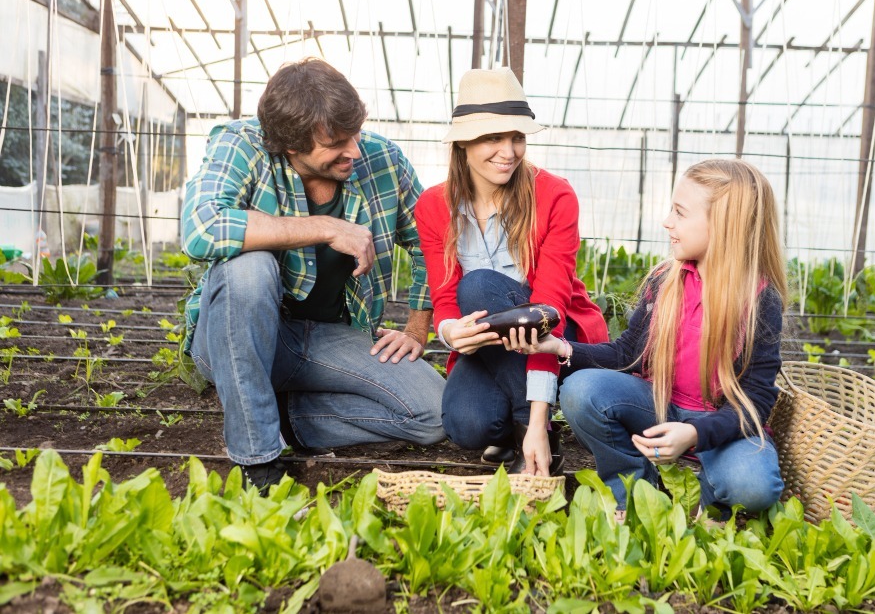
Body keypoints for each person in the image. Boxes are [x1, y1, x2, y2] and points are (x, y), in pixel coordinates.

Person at [181, 57, 446, 492]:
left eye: (356, 134)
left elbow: (430, 242)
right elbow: (201, 226)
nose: (355, 151)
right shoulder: (242, 145)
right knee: (248, 268)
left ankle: (282, 416)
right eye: (337, 143)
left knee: (434, 413)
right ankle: (259, 462)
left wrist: (418, 329)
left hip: (324, 338)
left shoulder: (383, 160)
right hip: (232, 335)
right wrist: (326, 228)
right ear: (289, 145)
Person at [505, 159, 786, 518]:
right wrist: (561, 348)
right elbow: (627, 354)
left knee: (756, 486)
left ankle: (702, 498)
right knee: (580, 390)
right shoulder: (665, 281)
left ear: (724, 227)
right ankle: (633, 491)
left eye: (680, 213)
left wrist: (695, 434)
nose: (667, 221)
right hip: (659, 405)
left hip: (724, 427)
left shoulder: (760, 299)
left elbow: (756, 400)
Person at [414, 68, 608, 476]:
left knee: (480, 284)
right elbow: (445, 299)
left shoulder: (554, 196)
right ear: (463, 144)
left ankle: (532, 435)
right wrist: (451, 333)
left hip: (554, 336)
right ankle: (508, 424)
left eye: (516, 137)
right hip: (489, 346)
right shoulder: (433, 206)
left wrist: (536, 424)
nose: (509, 151)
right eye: (492, 137)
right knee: (466, 425)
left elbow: (548, 312)